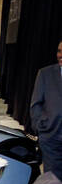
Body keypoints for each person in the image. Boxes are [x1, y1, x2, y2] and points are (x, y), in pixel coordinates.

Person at [30, 40, 62, 174]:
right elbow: (36, 103)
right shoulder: (45, 74)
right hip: (51, 136)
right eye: (59, 51)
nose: (60, 55)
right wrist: (40, 127)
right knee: (52, 179)